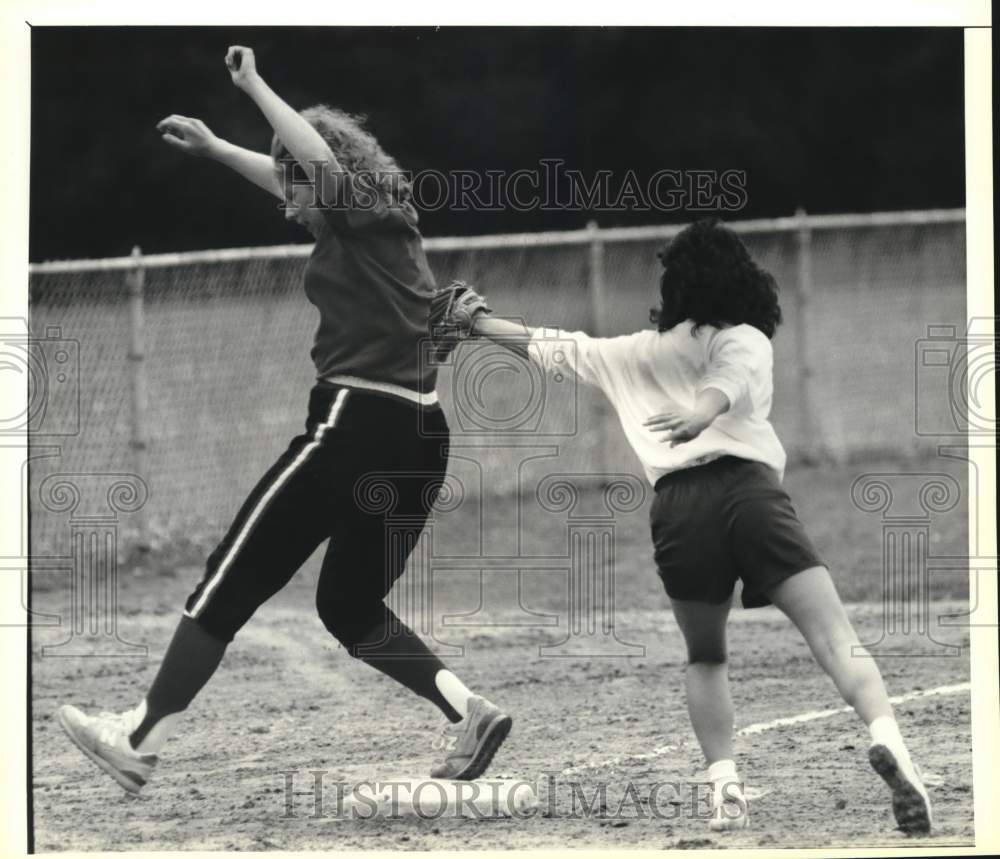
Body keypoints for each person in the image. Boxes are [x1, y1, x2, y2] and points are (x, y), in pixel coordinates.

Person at [57, 46, 511, 795]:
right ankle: (468, 710)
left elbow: (313, 167)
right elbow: (295, 174)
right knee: (348, 604)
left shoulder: (352, 199)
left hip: (354, 423)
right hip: (420, 437)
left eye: (294, 186)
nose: (286, 202)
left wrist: (253, 86)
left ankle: (137, 737)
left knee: (231, 573)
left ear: (322, 173)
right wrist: (214, 147)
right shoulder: (374, 219)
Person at [453, 218, 932, 834]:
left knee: (706, 657)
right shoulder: (745, 336)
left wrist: (476, 323)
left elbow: (553, 345)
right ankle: (891, 742)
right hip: (751, 497)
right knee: (836, 638)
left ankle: (725, 791)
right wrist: (702, 412)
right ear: (741, 279)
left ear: (673, 286)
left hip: (679, 509)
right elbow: (727, 379)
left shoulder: (632, 352)